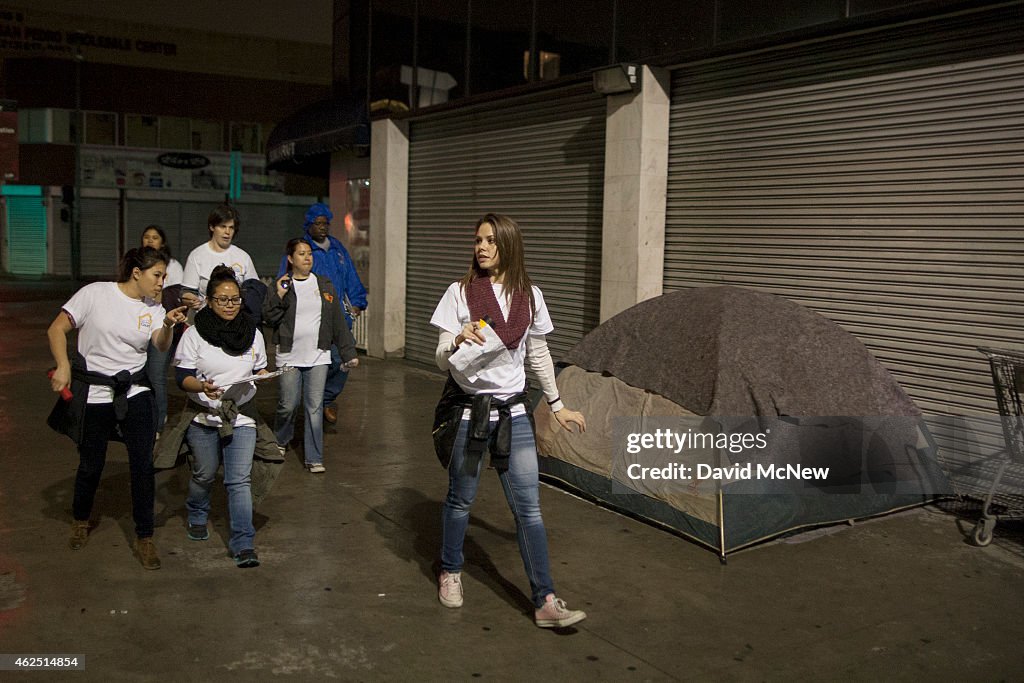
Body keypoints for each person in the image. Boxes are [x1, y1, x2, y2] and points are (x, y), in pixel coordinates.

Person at [430, 213, 589, 628]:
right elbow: (441, 355)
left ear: (508, 245)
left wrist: (557, 404)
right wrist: (457, 340)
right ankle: (450, 570)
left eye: (490, 241)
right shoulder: (461, 292)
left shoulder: (529, 297)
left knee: (529, 511)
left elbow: (537, 354)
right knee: (460, 499)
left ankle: (546, 600)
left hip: (514, 414)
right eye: (478, 240)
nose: (481, 247)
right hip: (470, 411)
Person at [46, 247, 188, 570]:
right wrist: (63, 366)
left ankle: (145, 536)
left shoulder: (154, 308)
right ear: (136, 273)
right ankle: (81, 518)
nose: (161, 283)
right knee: (90, 465)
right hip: (95, 392)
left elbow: (160, 344)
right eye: (157, 275)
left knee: (142, 467)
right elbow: (57, 329)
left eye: (164, 277)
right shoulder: (95, 294)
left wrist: (167, 324)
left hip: (134, 391)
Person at [174, 265, 268, 568]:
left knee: (238, 480)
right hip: (205, 416)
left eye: (235, 299)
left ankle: (243, 543)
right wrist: (201, 386)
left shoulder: (253, 333)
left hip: (241, 415)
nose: (230, 305)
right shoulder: (194, 333)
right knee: (204, 472)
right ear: (210, 300)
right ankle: (197, 512)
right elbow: (182, 377)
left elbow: (258, 369)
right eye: (223, 300)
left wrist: (265, 375)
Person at [263, 238, 359, 473]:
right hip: (289, 355)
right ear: (290, 259)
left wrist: (348, 352)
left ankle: (314, 457)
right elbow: (270, 317)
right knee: (288, 404)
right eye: (301, 254)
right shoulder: (282, 286)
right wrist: (278, 296)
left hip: (319, 356)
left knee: (314, 407)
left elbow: (337, 321)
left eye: (309, 254)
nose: (307, 258)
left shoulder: (324, 285)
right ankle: (281, 440)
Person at [277, 202, 366, 425]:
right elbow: (283, 282)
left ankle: (326, 399)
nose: (322, 228)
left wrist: (357, 302)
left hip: (339, 318)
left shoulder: (337, 249)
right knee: (315, 365)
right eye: (317, 224)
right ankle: (312, 403)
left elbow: (350, 277)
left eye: (325, 223)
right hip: (311, 320)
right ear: (309, 225)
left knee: (342, 361)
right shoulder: (302, 250)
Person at [140, 225, 185, 434]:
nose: (150, 241)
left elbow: (174, 296)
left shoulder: (173, 266)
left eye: (155, 237)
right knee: (139, 374)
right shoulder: (136, 264)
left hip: (161, 324)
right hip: (138, 325)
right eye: (146, 237)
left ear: (163, 242)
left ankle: (158, 422)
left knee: (156, 375)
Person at [181, 203, 258, 311]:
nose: (227, 232)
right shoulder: (197, 255)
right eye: (223, 226)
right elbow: (187, 291)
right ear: (212, 227)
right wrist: (190, 299)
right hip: (204, 317)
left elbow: (254, 290)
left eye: (231, 228)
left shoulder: (243, 257)